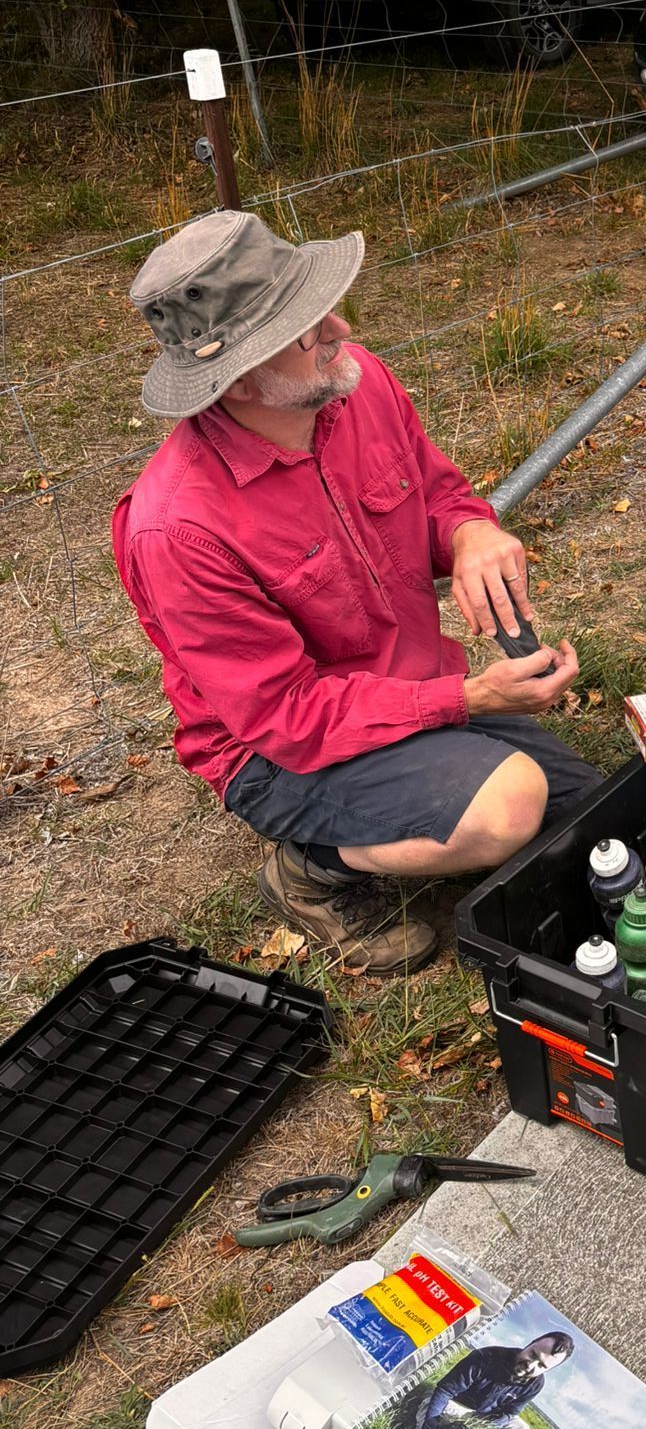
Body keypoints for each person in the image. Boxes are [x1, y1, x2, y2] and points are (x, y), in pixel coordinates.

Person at [112, 210, 600, 976]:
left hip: (404, 686)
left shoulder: (356, 382)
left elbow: (439, 494)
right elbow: (286, 718)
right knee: (510, 806)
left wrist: (471, 533)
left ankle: (442, 772)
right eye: (309, 326)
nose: (340, 325)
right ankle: (310, 867)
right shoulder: (178, 528)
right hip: (277, 755)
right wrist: (467, 702)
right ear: (241, 378)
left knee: (595, 817)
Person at [410, 1333, 574, 1429]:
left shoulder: (536, 1384)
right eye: (532, 1355)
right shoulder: (485, 1357)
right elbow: (445, 1391)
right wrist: (428, 1428)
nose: (531, 1366)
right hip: (454, 1406)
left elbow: (510, 1413)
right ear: (530, 1344)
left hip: (480, 1419)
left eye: (541, 1366)